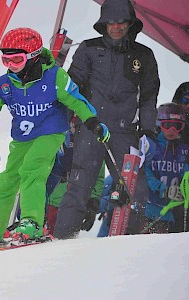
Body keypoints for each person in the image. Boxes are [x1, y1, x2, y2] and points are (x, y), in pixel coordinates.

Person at [0, 27, 110, 244]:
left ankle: (31, 223)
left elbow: (76, 100)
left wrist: (93, 121)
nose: (11, 67)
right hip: (22, 137)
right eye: (6, 61)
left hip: (50, 133)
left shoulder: (55, 78)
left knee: (32, 169)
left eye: (17, 60)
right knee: (6, 180)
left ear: (33, 56)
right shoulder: (4, 84)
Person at [54, 0, 160, 239]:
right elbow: (72, 89)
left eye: (121, 21)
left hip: (126, 133)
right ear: (103, 24)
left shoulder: (143, 56)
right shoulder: (89, 50)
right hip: (91, 129)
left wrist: (148, 132)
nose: (116, 27)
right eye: (110, 22)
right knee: (79, 187)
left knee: (136, 190)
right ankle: (62, 239)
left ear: (130, 24)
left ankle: (132, 244)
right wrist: (62, 123)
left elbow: (148, 97)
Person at [143, 103, 189, 233]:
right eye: (167, 126)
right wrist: (163, 190)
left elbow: (185, 174)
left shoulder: (184, 150)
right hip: (147, 208)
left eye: (177, 126)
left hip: (168, 212)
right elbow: (145, 173)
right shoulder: (152, 146)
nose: (172, 130)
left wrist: (183, 190)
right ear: (159, 125)